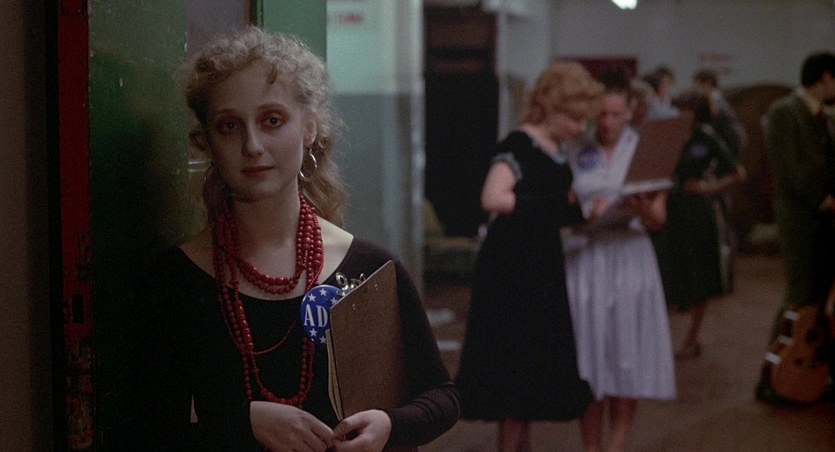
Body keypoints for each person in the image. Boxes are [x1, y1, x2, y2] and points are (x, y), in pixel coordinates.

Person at [123, 27, 459, 451]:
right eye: (229, 126)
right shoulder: (172, 282)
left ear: (309, 128)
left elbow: (442, 397)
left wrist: (390, 424)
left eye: (272, 120)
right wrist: (242, 420)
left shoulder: (368, 270)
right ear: (206, 141)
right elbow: (142, 427)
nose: (252, 145)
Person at [454, 60, 603, 452]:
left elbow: (549, 209)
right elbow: (493, 197)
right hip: (513, 265)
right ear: (551, 108)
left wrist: (584, 213)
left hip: (541, 261)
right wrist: (562, 207)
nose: (580, 128)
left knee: (533, 362)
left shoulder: (556, 149)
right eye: (574, 118)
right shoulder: (519, 144)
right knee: (516, 365)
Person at [562, 66, 676, 452]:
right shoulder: (576, 148)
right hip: (588, 256)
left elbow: (658, 219)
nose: (608, 123)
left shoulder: (646, 149)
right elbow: (563, 209)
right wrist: (584, 212)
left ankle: (617, 446)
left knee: (627, 355)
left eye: (616, 114)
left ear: (630, 111)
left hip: (630, 256)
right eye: (602, 115)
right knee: (590, 358)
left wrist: (641, 207)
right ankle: (591, 447)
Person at [756, 51, 835, 404]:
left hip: (824, 218)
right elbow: (788, 170)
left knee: (819, 295)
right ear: (826, 77)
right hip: (800, 217)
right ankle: (773, 376)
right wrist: (823, 198)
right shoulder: (784, 112)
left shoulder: (824, 116)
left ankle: (812, 372)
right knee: (800, 294)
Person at [654, 89, 747, 359]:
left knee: (700, 276)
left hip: (697, 212)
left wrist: (709, 188)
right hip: (670, 209)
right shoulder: (667, 135)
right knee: (669, 272)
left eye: (688, 113)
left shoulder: (707, 137)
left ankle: (692, 337)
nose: (682, 117)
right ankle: (662, 339)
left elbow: (737, 173)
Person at [692, 67, 748, 293]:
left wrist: (721, 166)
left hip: (718, 173)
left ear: (707, 83)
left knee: (722, 225)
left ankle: (725, 275)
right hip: (718, 170)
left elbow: (733, 139)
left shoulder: (717, 108)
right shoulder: (720, 106)